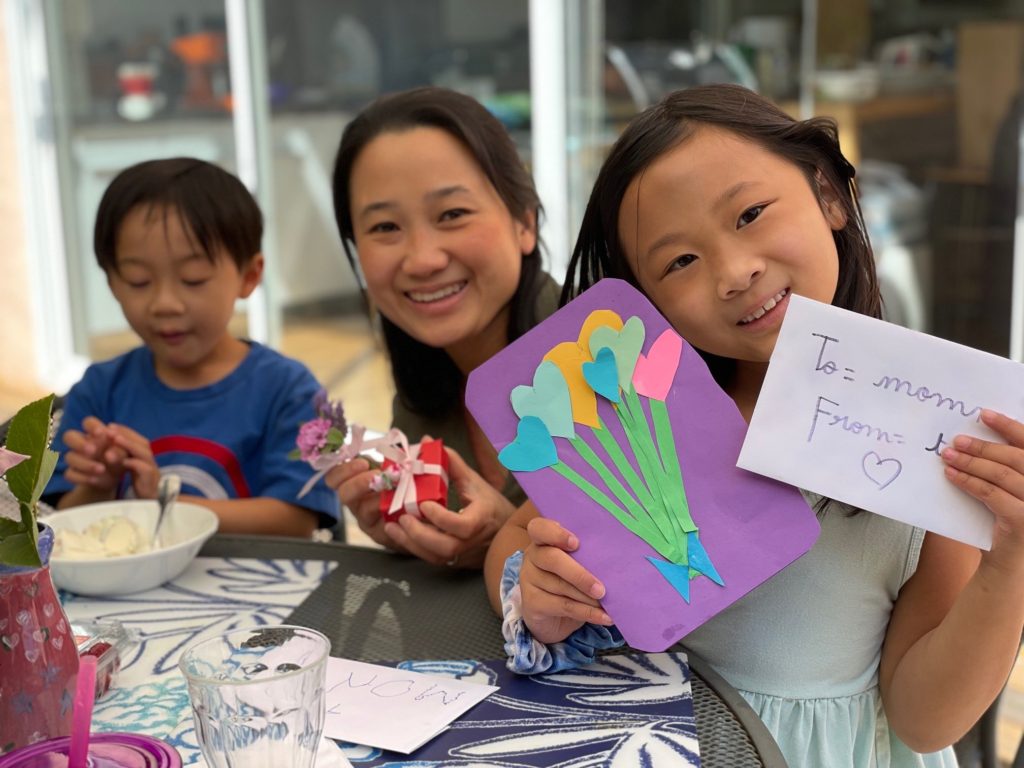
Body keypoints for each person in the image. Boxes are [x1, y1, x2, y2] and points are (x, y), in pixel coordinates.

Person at [484, 84, 1024, 766]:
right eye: (679, 261)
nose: (734, 273)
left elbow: (926, 720)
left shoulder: (932, 437)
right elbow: (513, 542)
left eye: (749, 213)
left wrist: (1010, 564)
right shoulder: (643, 416)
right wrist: (535, 591)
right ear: (648, 300)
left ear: (830, 195)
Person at [328, 86, 560, 568]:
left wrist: (508, 539)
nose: (423, 260)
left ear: (524, 222)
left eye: (452, 214)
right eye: (385, 227)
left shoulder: (610, 360)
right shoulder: (420, 398)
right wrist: (408, 533)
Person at [45, 157, 339, 537]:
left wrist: (163, 501)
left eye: (193, 279)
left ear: (249, 276)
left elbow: (296, 522)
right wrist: (99, 485)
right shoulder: (99, 392)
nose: (165, 302)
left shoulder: (291, 390)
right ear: (111, 281)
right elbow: (60, 524)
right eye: (138, 281)